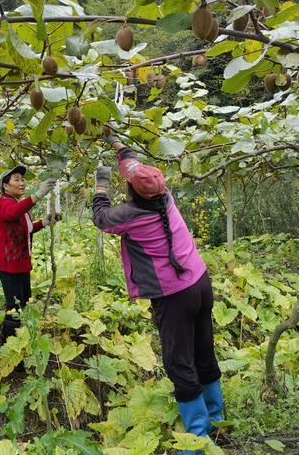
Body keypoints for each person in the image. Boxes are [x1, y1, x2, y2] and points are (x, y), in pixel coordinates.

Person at [92, 136, 224, 452]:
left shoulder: (129, 215)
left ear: (132, 191)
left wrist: (101, 185)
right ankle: (216, 417)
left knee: (179, 362)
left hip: (174, 296)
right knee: (203, 349)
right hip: (200, 282)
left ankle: (197, 438)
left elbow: (101, 218)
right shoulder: (166, 197)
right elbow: (137, 169)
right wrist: (119, 144)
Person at [0, 166, 60, 314]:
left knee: (24, 304)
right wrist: (37, 195)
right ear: (5, 186)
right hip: (10, 267)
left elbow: (25, 230)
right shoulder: (4, 203)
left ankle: (22, 335)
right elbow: (12, 214)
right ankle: (9, 336)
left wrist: (45, 221)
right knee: (15, 309)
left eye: (22, 179)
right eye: (16, 180)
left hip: (20, 264)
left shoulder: (17, 205)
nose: (22, 183)